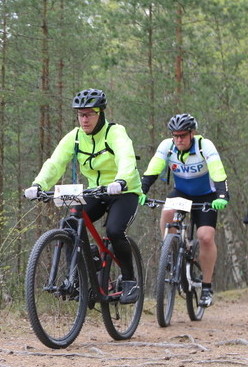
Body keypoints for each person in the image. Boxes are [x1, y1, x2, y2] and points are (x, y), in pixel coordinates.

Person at [23, 88, 143, 303]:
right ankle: (81, 275)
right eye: (80, 114)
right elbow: (55, 162)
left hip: (124, 190)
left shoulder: (115, 132)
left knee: (115, 231)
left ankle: (129, 280)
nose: (84, 119)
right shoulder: (75, 137)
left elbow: (126, 156)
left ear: (101, 113)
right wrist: (38, 184)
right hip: (94, 191)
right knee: (70, 224)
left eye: (89, 114)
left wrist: (121, 180)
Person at [139, 113, 229, 307]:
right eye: (175, 135)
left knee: (205, 236)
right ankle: (170, 251)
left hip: (206, 195)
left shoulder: (205, 146)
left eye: (183, 135)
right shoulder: (167, 146)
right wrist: (142, 189)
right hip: (181, 192)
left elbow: (217, 169)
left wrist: (222, 195)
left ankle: (206, 286)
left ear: (192, 133)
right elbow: (154, 166)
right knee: (167, 211)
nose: (179, 139)